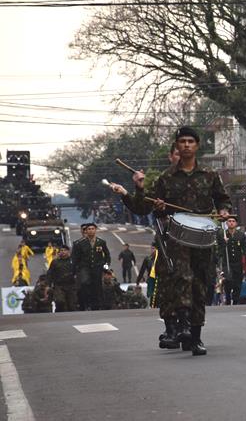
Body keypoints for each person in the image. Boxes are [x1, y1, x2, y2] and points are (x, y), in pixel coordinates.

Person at [123, 126, 232, 356]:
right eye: (182, 141)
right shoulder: (165, 178)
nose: (186, 145)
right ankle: (182, 326)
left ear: (197, 145)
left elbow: (223, 199)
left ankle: (196, 337)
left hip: (203, 238)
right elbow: (144, 207)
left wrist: (223, 211)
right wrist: (141, 190)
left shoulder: (210, 175)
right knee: (182, 278)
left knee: (200, 285)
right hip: (177, 239)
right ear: (177, 146)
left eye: (190, 141)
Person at [110, 143, 181, 349]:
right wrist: (134, 190)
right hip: (168, 242)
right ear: (170, 156)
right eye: (177, 152)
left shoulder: (204, 178)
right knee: (166, 285)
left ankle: (190, 328)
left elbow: (212, 204)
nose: (183, 153)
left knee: (191, 286)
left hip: (192, 243)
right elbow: (141, 207)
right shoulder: (160, 181)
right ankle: (171, 328)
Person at [72, 222, 111, 311]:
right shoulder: (79, 243)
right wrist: (75, 271)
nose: (91, 231)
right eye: (89, 229)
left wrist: (105, 267)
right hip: (84, 268)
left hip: (97, 268)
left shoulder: (101, 242)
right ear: (86, 231)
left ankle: (96, 305)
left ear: (95, 230)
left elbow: (107, 256)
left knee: (97, 286)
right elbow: (75, 258)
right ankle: (86, 303)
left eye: (92, 229)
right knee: (85, 283)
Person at [217, 215, 246, 305]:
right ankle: (228, 297)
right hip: (227, 262)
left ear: (236, 223)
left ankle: (235, 300)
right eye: (229, 221)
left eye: (233, 221)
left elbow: (245, 249)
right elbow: (219, 249)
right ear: (227, 223)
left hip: (238, 263)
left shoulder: (241, 235)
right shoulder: (223, 234)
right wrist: (224, 242)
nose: (231, 223)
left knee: (237, 282)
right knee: (228, 280)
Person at [47, 244, 77, 312]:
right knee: (60, 301)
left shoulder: (73, 261)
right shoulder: (55, 262)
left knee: (72, 305)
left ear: (68, 251)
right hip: (59, 286)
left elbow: (77, 271)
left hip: (71, 285)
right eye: (61, 250)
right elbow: (50, 274)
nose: (63, 252)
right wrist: (49, 285)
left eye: (65, 250)